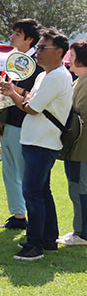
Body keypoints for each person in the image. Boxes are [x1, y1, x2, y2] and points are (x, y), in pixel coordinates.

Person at [1, 28, 72, 261]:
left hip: (42, 142)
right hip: (36, 140)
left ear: (59, 52)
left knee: (32, 192)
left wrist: (12, 94)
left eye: (43, 48)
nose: (38, 52)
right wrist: (19, 96)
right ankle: (48, 239)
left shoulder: (58, 76)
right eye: (38, 47)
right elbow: (30, 101)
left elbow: (31, 107)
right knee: (41, 191)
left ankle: (35, 244)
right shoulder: (45, 75)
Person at [0, 19, 42, 230]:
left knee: (24, 173)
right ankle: (18, 215)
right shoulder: (15, 61)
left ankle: (31, 218)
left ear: (29, 38)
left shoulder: (37, 63)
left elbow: (34, 95)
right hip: (11, 121)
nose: (12, 36)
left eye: (17, 33)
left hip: (26, 123)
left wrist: (13, 89)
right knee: (9, 170)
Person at [60, 40, 87, 246]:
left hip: (82, 149)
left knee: (80, 190)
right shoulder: (79, 80)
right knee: (75, 188)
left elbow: (80, 114)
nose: (68, 60)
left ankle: (83, 234)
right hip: (75, 147)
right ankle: (79, 230)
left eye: (71, 55)